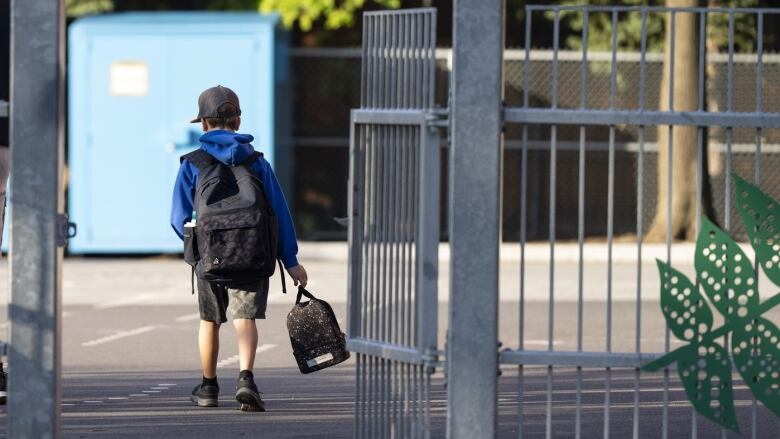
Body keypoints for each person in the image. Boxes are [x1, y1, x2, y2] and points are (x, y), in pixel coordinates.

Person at [171, 85, 307, 412]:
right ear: (238, 120)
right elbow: (278, 214)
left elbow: (178, 217)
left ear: (203, 123)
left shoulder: (193, 163)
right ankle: (246, 379)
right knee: (245, 318)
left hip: (210, 256)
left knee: (209, 321)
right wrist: (291, 261)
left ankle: (208, 387)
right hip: (253, 253)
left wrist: (197, 247)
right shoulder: (257, 163)